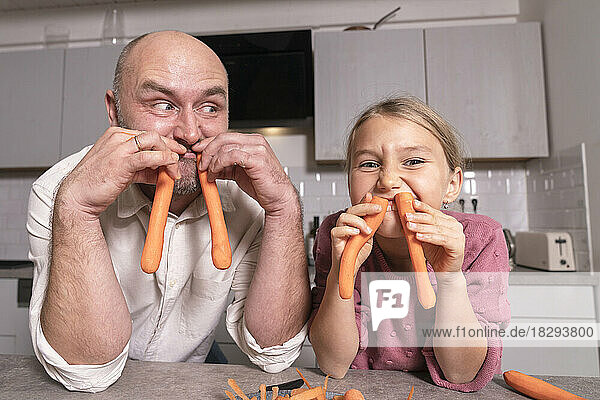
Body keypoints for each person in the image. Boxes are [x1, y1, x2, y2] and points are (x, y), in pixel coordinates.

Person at [26, 31, 311, 393]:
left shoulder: (252, 198)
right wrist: (78, 211)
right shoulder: (60, 191)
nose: (190, 133)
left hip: (195, 371)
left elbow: (275, 354)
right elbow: (87, 373)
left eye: (210, 107)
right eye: (163, 104)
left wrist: (284, 208)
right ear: (114, 112)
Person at [308, 96, 510, 392]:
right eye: (369, 163)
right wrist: (343, 267)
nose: (387, 180)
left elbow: (462, 372)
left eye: (413, 161)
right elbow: (333, 363)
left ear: (451, 185)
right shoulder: (334, 233)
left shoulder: (481, 239)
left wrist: (450, 279)